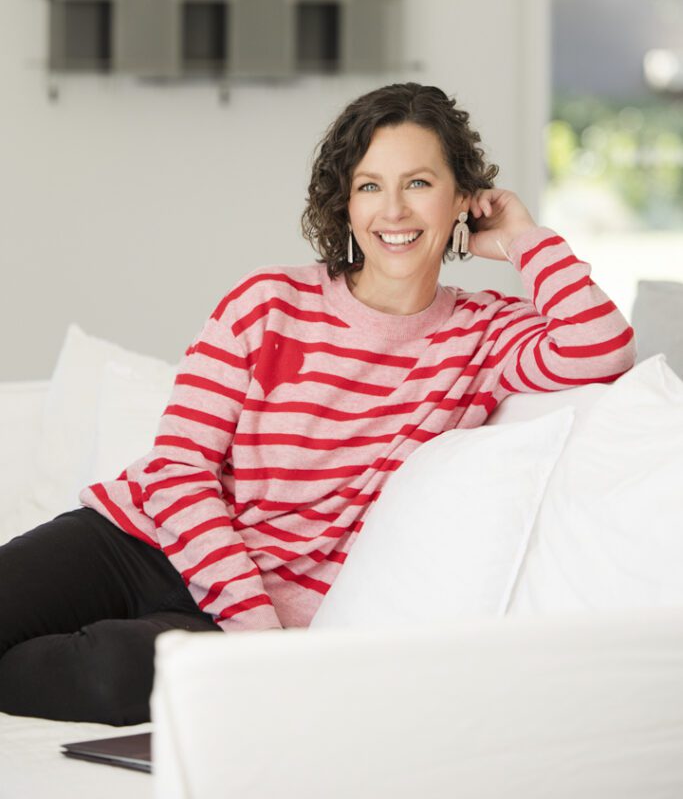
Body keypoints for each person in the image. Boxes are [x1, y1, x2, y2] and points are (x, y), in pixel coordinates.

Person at [0, 82, 636, 726]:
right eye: (369, 186)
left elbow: (601, 347)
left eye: (418, 183)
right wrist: (256, 631)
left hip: (236, 615)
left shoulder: (485, 336)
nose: (393, 210)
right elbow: (178, 468)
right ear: (346, 202)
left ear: (463, 200)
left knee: (111, 678)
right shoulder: (266, 303)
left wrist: (524, 238)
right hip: (139, 541)